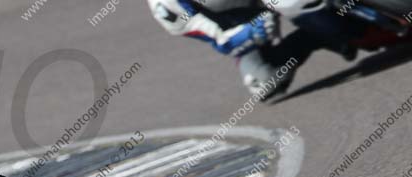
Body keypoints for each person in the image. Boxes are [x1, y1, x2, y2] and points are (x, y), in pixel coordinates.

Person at [146, 0, 368, 100]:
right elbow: (220, 39)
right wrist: (250, 33)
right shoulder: (166, 6)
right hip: (250, 18)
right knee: (264, 80)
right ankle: (327, 35)